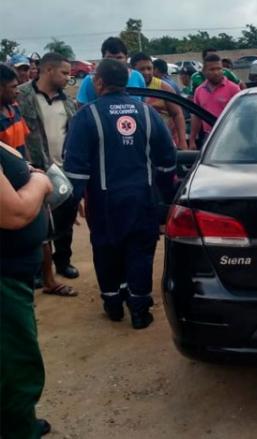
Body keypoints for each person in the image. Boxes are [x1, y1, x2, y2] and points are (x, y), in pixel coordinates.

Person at [63, 59, 176, 329]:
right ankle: (139, 311)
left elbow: (75, 169)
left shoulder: (86, 116)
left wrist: (71, 205)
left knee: (106, 250)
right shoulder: (148, 114)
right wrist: (165, 193)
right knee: (140, 252)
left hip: (103, 202)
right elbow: (168, 160)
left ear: (98, 83)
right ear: (127, 82)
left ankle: (113, 304)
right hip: (142, 198)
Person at [0, 139, 53, 438]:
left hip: (13, 278)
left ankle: (21, 422)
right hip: (4, 282)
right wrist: (40, 181)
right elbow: (14, 214)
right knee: (15, 372)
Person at [18, 53, 81, 297]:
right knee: (37, 222)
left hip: (63, 169)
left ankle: (63, 262)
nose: (69, 77)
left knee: (65, 219)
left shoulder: (68, 102)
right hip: (34, 170)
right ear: (48, 70)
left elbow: (72, 134)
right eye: (64, 73)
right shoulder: (22, 96)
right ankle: (38, 271)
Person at [131, 52, 187, 149]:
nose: (146, 72)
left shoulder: (164, 88)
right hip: (139, 145)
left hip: (165, 143)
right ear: (133, 71)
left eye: (149, 68)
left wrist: (182, 142)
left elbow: (178, 114)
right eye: (142, 69)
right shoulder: (129, 88)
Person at [189, 54, 241, 149]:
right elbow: (196, 117)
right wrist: (192, 139)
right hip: (208, 138)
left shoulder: (233, 89)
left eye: (219, 69)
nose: (216, 72)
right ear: (204, 71)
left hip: (230, 137)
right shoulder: (199, 91)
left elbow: (241, 115)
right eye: (212, 69)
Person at [76, 37, 145, 106]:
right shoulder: (91, 80)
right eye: (110, 58)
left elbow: (143, 104)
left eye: (119, 58)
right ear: (103, 59)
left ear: (126, 58)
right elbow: (81, 108)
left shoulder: (137, 77)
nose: (115, 62)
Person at [0, 65, 30, 158]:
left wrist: (29, 165)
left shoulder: (14, 107)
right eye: (13, 87)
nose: (18, 91)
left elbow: (24, 143)